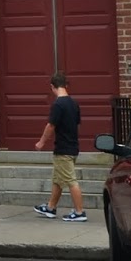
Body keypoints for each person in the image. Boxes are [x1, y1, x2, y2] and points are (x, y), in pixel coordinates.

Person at [33, 71, 86, 222]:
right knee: (58, 179)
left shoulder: (58, 104)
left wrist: (41, 142)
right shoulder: (74, 104)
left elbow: (51, 125)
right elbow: (77, 125)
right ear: (65, 85)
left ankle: (79, 212)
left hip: (63, 149)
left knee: (70, 180)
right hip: (73, 146)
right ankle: (50, 207)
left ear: (52, 87)